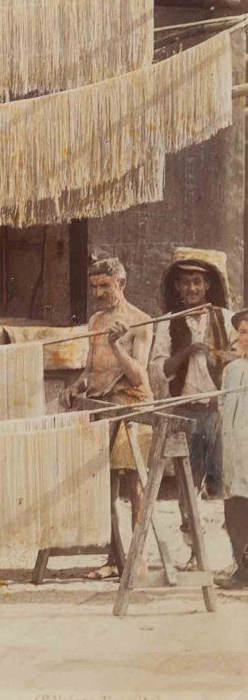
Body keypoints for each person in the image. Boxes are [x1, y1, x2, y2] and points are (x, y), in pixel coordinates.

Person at [64, 257, 153, 580]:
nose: (99, 292)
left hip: (132, 406)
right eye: (95, 287)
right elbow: (91, 369)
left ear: (121, 284)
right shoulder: (96, 321)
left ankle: (138, 558)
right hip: (102, 406)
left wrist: (117, 345)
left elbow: (139, 375)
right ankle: (115, 558)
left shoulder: (141, 322)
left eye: (105, 285)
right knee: (105, 487)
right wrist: (76, 385)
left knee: (135, 486)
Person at [149, 252, 236, 499]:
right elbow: (158, 370)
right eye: (186, 282)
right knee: (188, 483)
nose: (192, 288)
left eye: (197, 281)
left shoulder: (227, 319)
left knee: (222, 484)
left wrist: (216, 356)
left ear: (207, 285)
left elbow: (242, 359)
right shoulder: (167, 322)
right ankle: (190, 531)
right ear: (177, 287)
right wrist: (187, 352)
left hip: (219, 412)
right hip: (185, 413)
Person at [217, 309, 248, 590]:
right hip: (235, 454)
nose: (246, 338)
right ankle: (243, 570)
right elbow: (224, 408)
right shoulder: (232, 371)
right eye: (243, 332)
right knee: (236, 512)